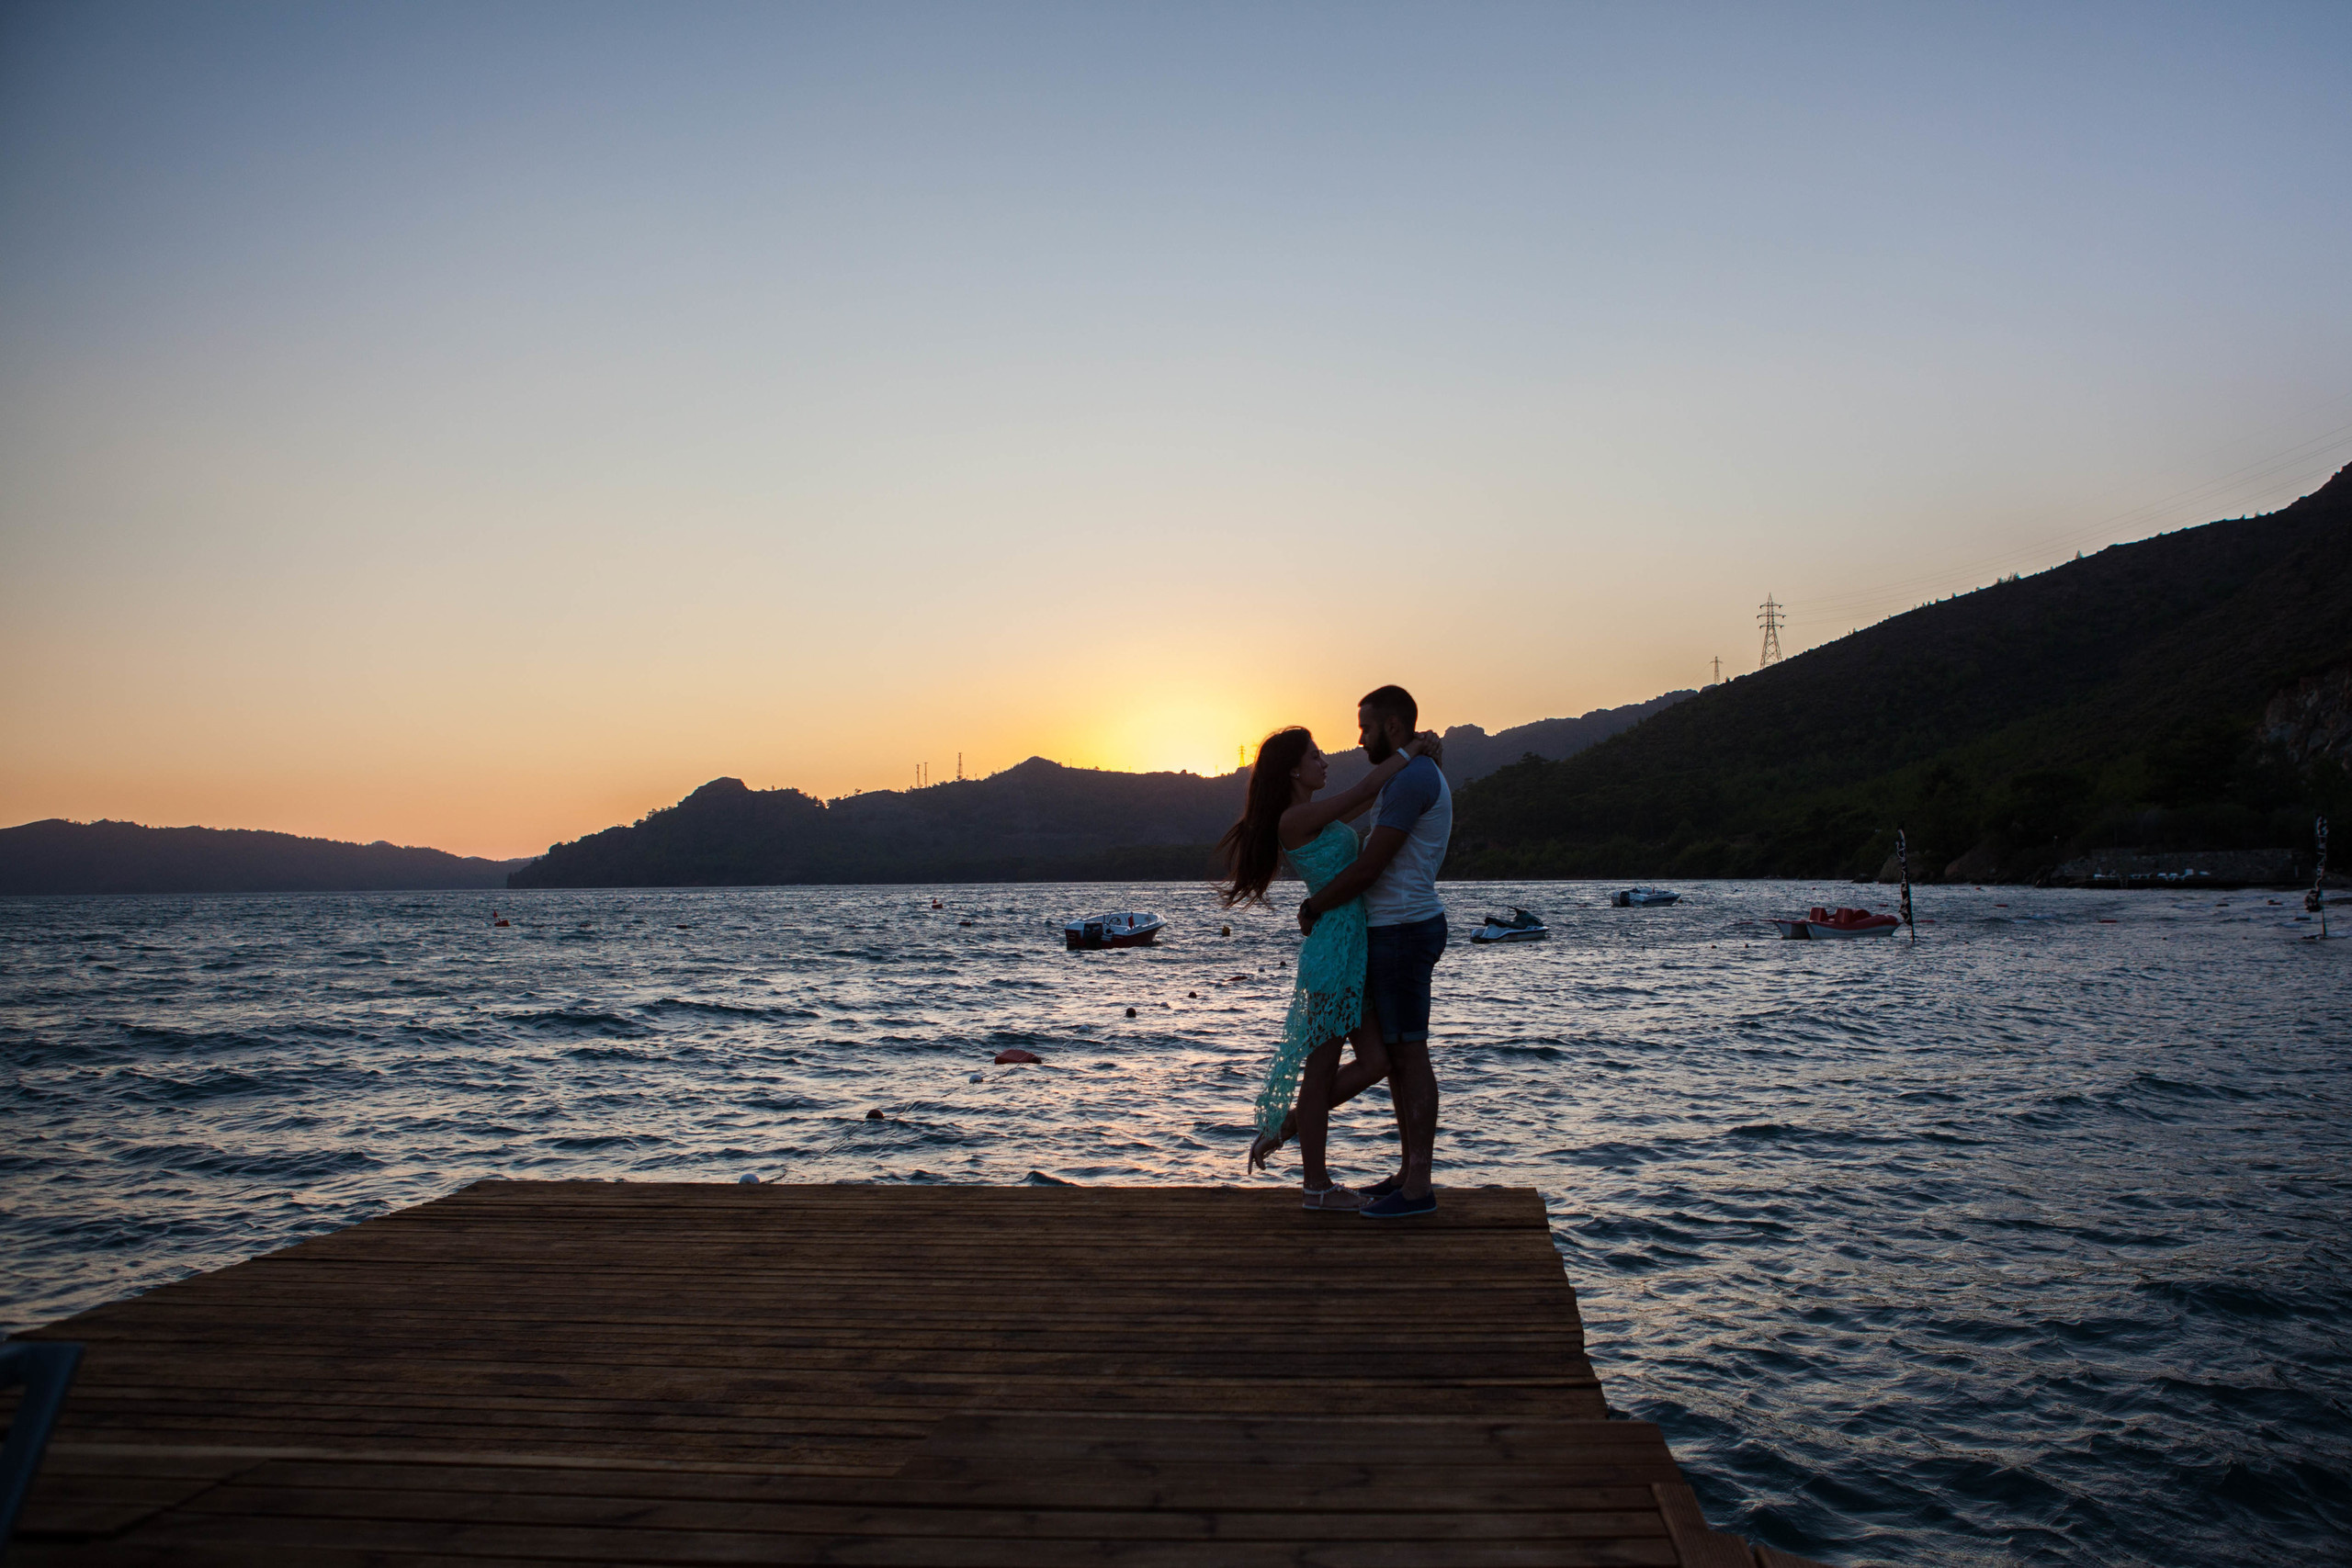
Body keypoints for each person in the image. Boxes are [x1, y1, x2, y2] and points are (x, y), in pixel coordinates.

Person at [1217, 724, 1439, 1212]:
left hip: (1351, 947)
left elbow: (1370, 796)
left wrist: (1413, 759)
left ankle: (1287, 1127)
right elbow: (1364, 790)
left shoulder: (1315, 814)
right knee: (1319, 1072)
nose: (1325, 762)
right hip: (1333, 949)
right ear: (1293, 770)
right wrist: (1413, 748)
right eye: (1315, 756)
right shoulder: (1294, 819)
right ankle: (1316, 1187)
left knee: (1377, 1061)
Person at [1297, 684, 1453, 1218]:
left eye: (1365, 727)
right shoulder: (1405, 775)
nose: (1359, 738)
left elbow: (1371, 866)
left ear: (1392, 726)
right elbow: (1364, 807)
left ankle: (1418, 1188)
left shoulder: (1412, 780)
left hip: (1405, 928)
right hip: (1392, 929)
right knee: (1399, 1057)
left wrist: (1315, 906)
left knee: (1410, 1054)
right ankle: (1408, 1174)